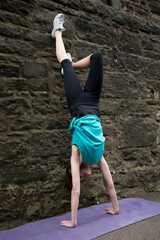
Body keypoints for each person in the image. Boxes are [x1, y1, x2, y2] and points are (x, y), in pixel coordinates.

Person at [51, 13, 119, 228]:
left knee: (65, 62)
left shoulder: (76, 152)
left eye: (81, 175)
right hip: (93, 102)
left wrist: (73, 221)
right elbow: (109, 182)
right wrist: (116, 207)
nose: (86, 177)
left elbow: (76, 190)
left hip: (77, 104)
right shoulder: (98, 155)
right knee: (97, 57)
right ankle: (69, 67)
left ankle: (58, 32)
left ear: (76, 170)